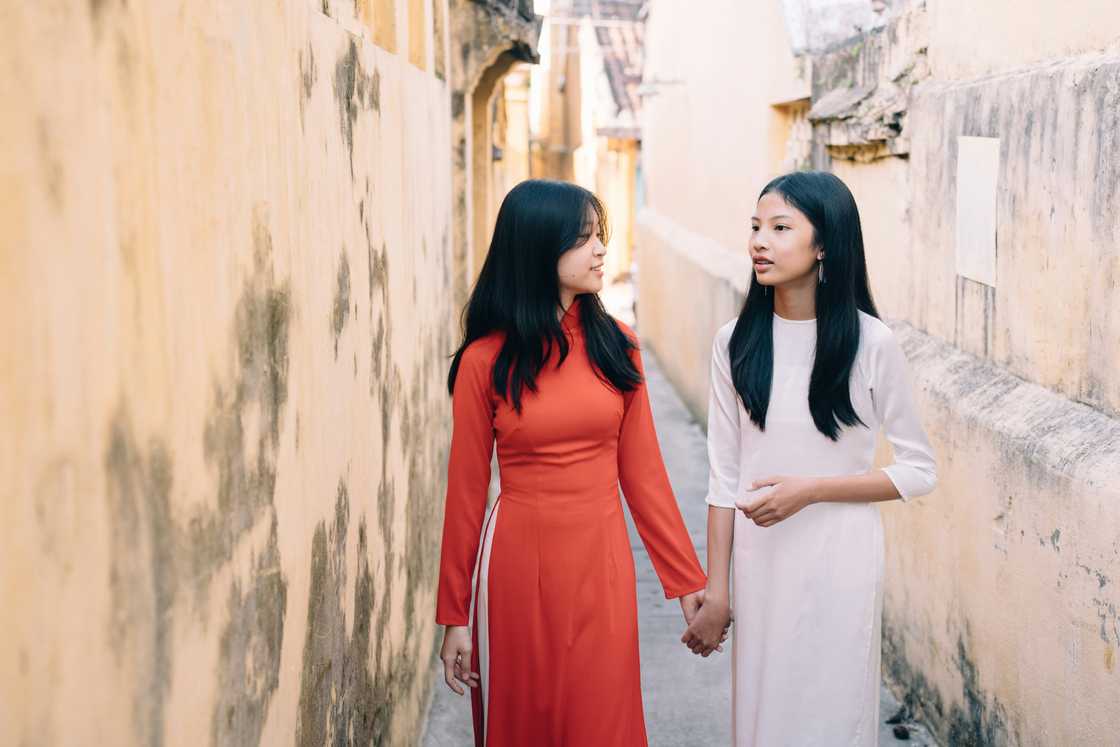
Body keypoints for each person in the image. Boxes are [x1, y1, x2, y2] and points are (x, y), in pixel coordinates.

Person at [436, 179, 709, 746]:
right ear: (538, 248)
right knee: (527, 724)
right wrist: (455, 616)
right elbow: (465, 494)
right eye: (584, 238)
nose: (601, 250)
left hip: (601, 566)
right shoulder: (485, 362)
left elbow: (644, 474)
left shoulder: (618, 347)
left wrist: (686, 580)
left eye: (601, 236)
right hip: (516, 568)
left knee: (601, 720)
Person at [682, 171, 938, 745]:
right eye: (755, 227)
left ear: (824, 245)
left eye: (779, 228)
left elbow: (919, 470)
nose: (759, 242)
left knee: (833, 711)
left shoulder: (872, 344)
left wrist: (813, 490)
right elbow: (724, 477)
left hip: (840, 557)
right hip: (759, 558)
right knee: (763, 715)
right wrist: (717, 590)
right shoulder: (735, 343)